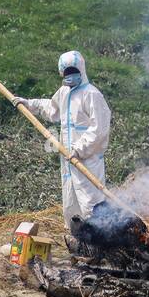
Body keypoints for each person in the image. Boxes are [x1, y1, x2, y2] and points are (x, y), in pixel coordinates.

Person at [13, 51, 111, 229]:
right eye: (66, 72)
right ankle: (78, 242)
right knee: (71, 203)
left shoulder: (92, 95)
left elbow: (99, 129)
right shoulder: (64, 92)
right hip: (68, 160)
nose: (69, 75)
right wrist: (29, 104)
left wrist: (79, 149)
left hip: (87, 161)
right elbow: (51, 108)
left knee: (91, 202)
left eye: (72, 71)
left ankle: (99, 241)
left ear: (81, 69)